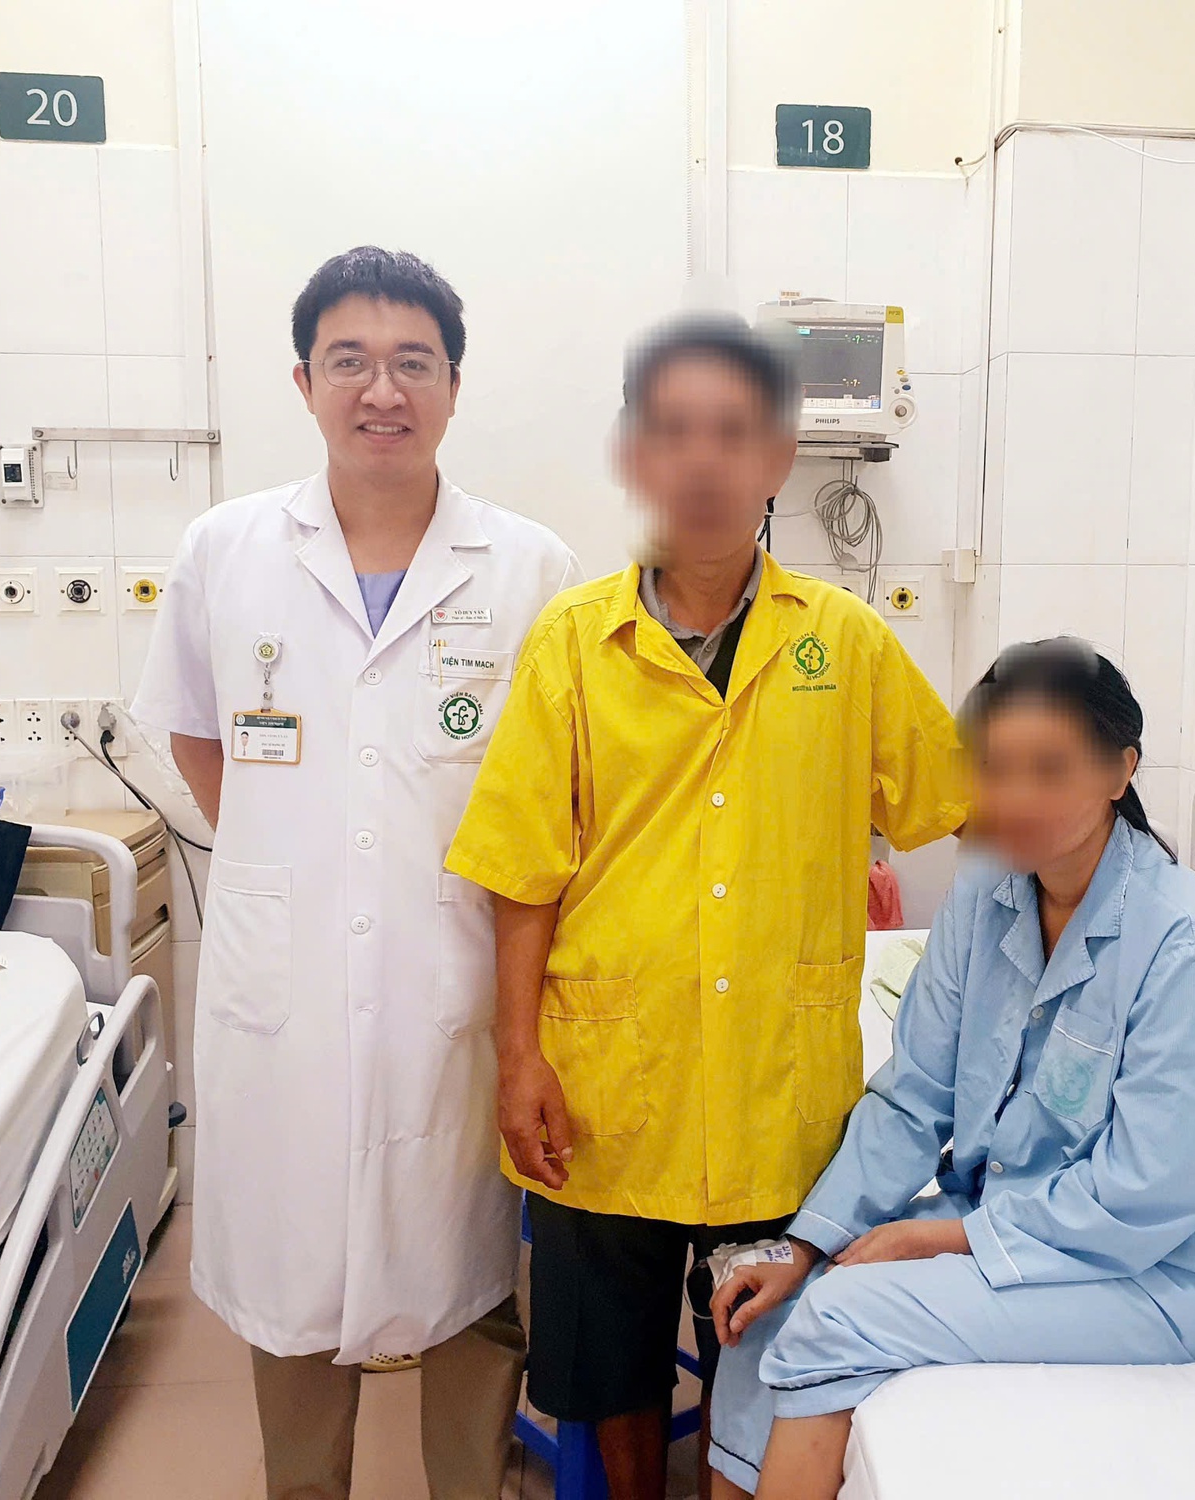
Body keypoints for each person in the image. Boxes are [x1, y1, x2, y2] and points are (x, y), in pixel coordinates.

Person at [444, 314, 969, 1500]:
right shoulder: (573, 643)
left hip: (779, 1094)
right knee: (610, 1369)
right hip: (608, 1089)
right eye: (673, 432)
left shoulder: (844, 644)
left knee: (771, 1356)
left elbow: (960, 807)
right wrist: (517, 1056)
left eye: (732, 433)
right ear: (637, 457)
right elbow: (520, 871)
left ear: (776, 457)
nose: (701, 462)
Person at [131, 246, 581, 1500]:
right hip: (285, 984)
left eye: (411, 362)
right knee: (291, 1273)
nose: (381, 389)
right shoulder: (227, 548)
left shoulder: (531, 568)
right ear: (304, 381)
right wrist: (294, 856)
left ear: (453, 386)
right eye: (350, 361)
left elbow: (554, 786)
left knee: (468, 1266)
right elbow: (195, 732)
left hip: (458, 979)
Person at [704, 639, 1195, 1499]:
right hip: (1019, 1217)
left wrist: (940, 1237)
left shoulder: (1189, 946)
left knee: (837, 1314)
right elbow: (915, 1095)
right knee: (764, 1311)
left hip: (1173, 1269)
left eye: (1049, 769)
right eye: (992, 769)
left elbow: (1148, 1192)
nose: (1015, 800)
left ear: (1120, 770)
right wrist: (805, 1243)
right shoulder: (987, 889)